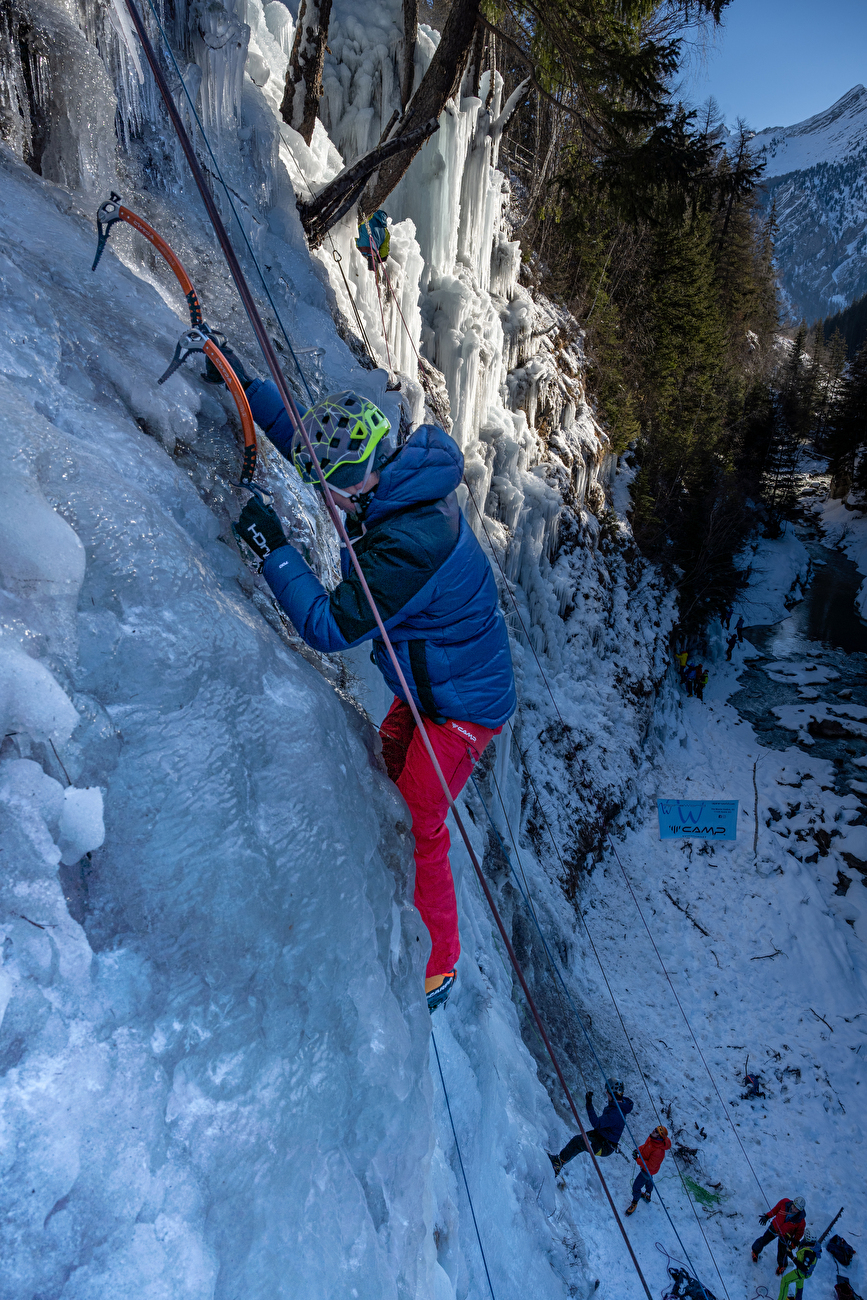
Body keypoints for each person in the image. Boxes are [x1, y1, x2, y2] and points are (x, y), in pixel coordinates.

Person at [232, 373, 517, 1014]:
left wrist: (272, 549)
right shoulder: (397, 480)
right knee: (387, 772)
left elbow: (330, 626)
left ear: (361, 482)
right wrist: (241, 384)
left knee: (423, 817)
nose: (327, 501)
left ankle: (440, 961)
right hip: (433, 681)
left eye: (333, 492)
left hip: (463, 709)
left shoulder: (410, 544)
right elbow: (310, 443)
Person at [548, 1080, 634, 1174]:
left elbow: (596, 1122)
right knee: (578, 1143)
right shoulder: (620, 1104)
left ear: (613, 1094)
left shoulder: (616, 1114)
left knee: (578, 1142)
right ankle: (558, 1163)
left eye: (608, 1091)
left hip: (603, 1147)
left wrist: (589, 1104)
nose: (606, 1092)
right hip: (601, 1138)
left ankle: (557, 1164)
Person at [752, 1196, 807, 1272]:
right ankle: (755, 1251)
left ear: (800, 1210)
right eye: (794, 1206)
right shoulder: (784, 1202)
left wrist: (793, 1245)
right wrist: (767, 1216)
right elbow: (775, 1210)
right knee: (764, 1239)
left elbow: (799, 1234)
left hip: (785, 1235)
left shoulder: (801, 1221)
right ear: (793, 1203)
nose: (794, 1210)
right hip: (774, 1227)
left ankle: (782, 1265)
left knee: (782, 1251)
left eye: (797, 1209)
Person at [625, 1124, 671, 1214]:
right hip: (649, 1170)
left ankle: (634, 1203)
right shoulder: (652, 1138)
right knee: (649, 1180)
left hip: (647, 1170)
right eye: (655, 1129)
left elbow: (649, 1166)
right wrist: (638, 1150)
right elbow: (645, 1146)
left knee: (636, 1186)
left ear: (659, 1137)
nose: (654, 1131)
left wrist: (637, 1160)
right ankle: (648, 1194)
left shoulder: (658, 1152)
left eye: (657, 1131)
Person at [777, 1232, 821, 1299]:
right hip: (803, 1271)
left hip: (803, 1272)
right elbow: (800, 1245)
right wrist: (791, 1239)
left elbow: (804, 1268)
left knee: (785, 1281)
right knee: (799, 1283)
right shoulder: (811, 1244)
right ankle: (798, 1298)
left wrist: (791, 1256)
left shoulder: (809, 1254)